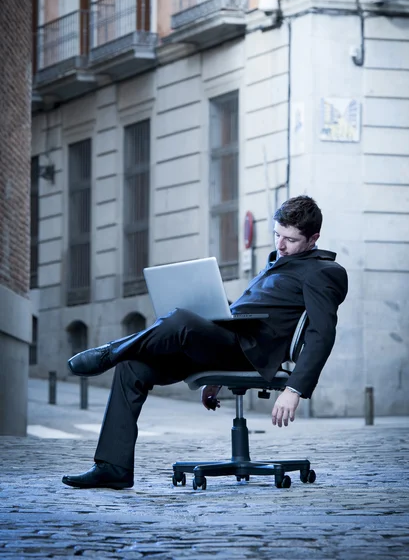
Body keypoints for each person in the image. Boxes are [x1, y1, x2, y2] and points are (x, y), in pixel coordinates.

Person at [62, 195, 348, 490]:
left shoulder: (324, 273)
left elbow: (321, 334)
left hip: (248, 353)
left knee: (181, 320)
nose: (280, 245)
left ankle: (108, 353)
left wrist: (294, 389)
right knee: (132, 367)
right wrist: (217, 363)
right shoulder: (280, 260)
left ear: (313, 238)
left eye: (290, 239)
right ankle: (113, 467)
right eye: (277, 235)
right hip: (227, 344)